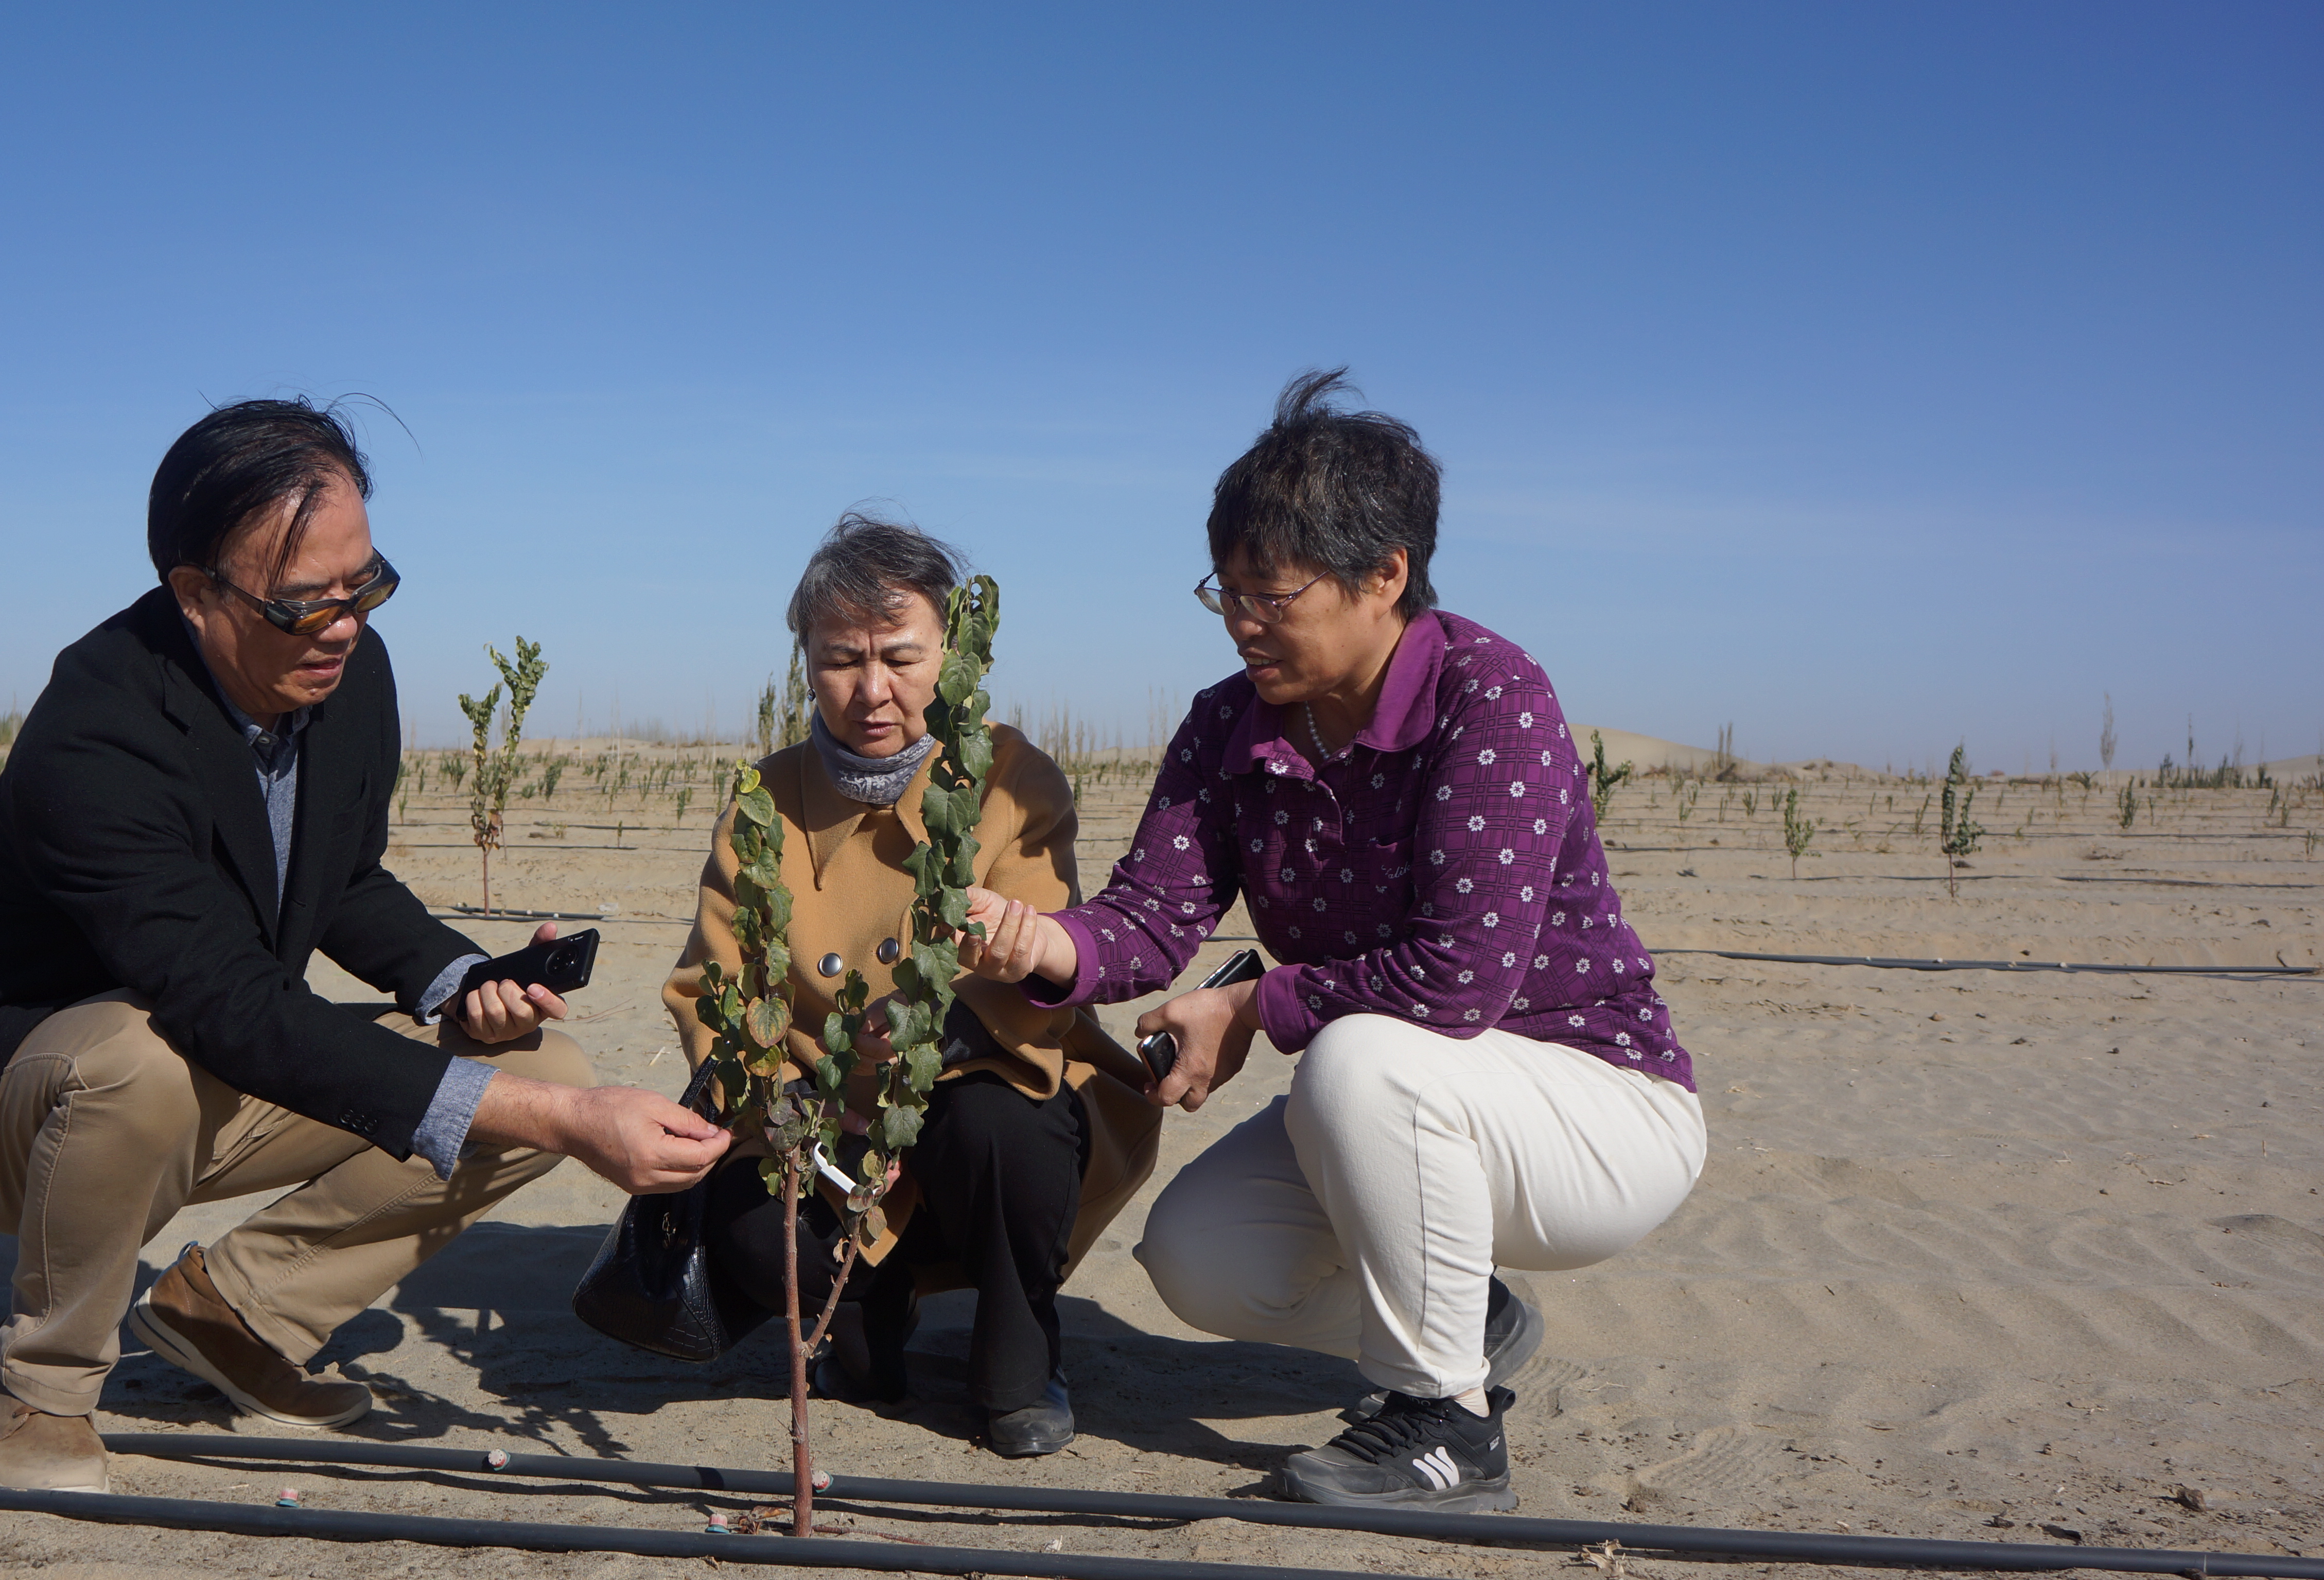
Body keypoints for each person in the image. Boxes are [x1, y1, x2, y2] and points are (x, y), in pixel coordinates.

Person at [0, 398, 730, 1493]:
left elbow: (342, 881)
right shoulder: (100, 727)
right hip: (26, 1104)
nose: (343, 626)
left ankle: (235, 1314)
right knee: (142, 1056)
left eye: (365, 587)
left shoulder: (347, 677)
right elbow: (229, 1002)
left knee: (538, 1067)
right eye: (302, 603)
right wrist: (566, 1125)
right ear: (197, 593)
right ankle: (39, 1384)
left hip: (205, 1063)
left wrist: (462, 980)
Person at [952, 371, 1705, 1509]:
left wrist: (1255, 1004)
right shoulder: (1228, 725)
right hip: (1409, 1110)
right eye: (1228, 592)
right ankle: (1473, 1316)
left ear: (1385, 575)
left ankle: (1446, 1427)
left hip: (1597, 1107)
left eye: (1274, 594)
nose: (1244, 622)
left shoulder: (1486, 697)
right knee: (1202, 1255)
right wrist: (1037, 943)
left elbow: (1457, 979)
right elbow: (1153, 919)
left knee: (1361, 1058)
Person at [661, 515, 1161, 1457]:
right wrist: (790, 1098)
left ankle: (1022, 1351)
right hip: (823, 1116)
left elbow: (1041, 966)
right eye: (843, 659)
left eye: (901, 656)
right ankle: (868, 1321)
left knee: (1003, 1130)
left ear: (951, 656)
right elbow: (713, 985)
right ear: (805, 660)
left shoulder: (1009, 778)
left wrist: (939, 1038)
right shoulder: (762, 803)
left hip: (981, 1080)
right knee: (750, 1223)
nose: (873, 690)